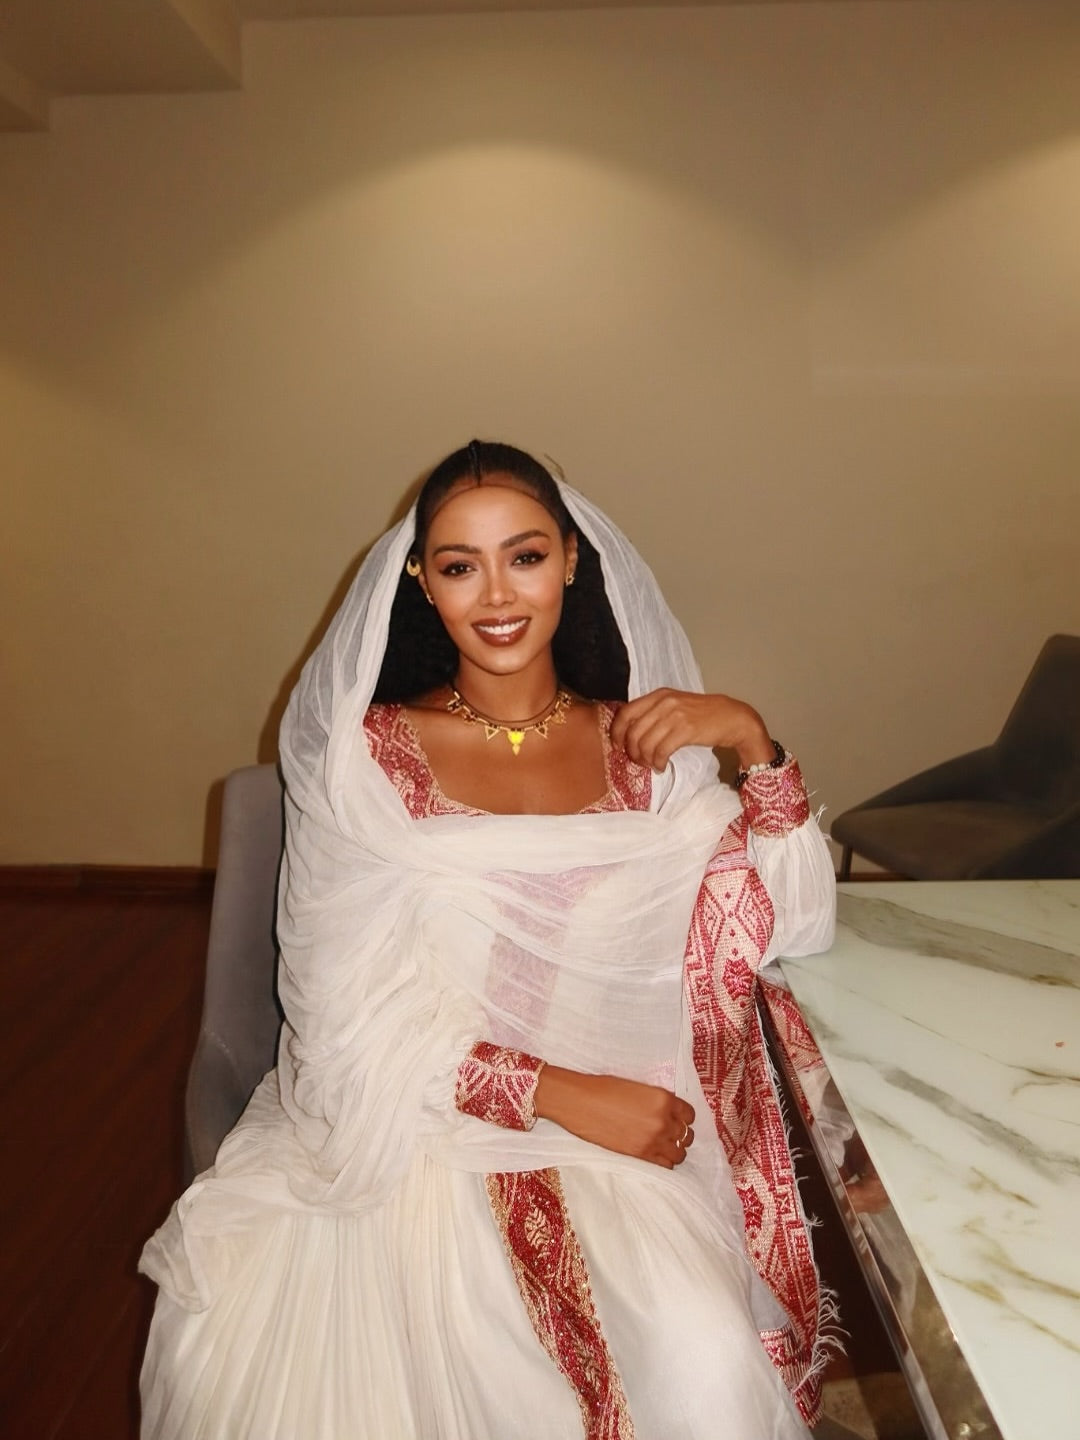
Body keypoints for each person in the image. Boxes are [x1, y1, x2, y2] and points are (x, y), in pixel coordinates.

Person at [140, 440, 837, 1439]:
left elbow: (794, 931)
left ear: (572, 563)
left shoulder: (646, 751)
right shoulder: (369, 762)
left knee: (706, 1369)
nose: (497, 593)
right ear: (423, 582)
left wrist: (750, 739)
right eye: (461, 565)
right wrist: (560, 1098)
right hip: (413, 1136)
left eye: (526, 555)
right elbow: (341, 1025)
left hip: (625, 1142)